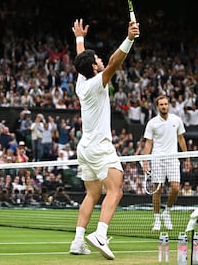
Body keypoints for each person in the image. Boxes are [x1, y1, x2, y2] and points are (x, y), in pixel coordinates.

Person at [69, 18, 139, 259]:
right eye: (96, 60)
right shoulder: (98, 83)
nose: (99, 60)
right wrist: (129, 38)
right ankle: (100, 233)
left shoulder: (81, 80)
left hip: (85, 149)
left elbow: (83, 58)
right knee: (116, 189)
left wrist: (80, 38)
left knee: (92, 193)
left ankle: (78, 241)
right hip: (100, 147)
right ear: (96, 68)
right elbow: (114, 62)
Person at [142, 94, 190, 231]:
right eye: (161, 104)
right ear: (157, 107)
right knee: (157, 190)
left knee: (175, 188)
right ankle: (157, 219)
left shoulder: (177, 120)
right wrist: (145, 161)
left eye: (166, 104)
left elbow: (181, 139)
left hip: (173, 159)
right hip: (157, 159)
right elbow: (148, 143)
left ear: (168, 105)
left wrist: (187, 157)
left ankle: (167, 212)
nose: (164, 106)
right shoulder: (152, 123)